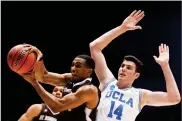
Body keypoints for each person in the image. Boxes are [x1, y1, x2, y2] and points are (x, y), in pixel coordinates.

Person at [89, 10, 181, 121]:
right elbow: (94, 47)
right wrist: (122, 28)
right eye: (122, 66)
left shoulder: (140, 95)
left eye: (129, 68)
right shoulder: (107, 81)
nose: (123, 69)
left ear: (136, 75)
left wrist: (165, 66)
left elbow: (174, 99)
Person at [20, 50, 101, 121]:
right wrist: (38, 56)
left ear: (89, 72)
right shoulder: (70, 79)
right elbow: (43, 76)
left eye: (78, 66)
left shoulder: (89, 90)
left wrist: (34, 83)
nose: (73, 68)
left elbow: (57, 106)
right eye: (72, 65)